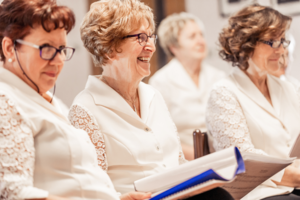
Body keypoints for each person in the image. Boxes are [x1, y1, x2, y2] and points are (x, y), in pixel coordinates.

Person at [69, 0, 233, 199]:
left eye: (150, 37)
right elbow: (92, 189)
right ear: (108, 48)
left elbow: (178, 161)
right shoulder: (85, 110)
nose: (151, 47)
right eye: (140, 38)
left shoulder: (153, 95)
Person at [0, 0, 152, 199]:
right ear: (10, 48)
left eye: (62, 49)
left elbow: (76, 180)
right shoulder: (6, 100)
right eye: (46, 48)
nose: (58, 60)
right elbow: (14, 192)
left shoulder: (51, 102)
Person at [206, 4, 300, 200]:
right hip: (259, 192)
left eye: (283, 41)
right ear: (246, 44)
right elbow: (245, 160)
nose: (281, 50)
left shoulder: (288, 88)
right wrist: (295, 177)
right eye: (272, 42)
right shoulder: (224, 93)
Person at [149, 12, 226, 160]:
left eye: (201, 35)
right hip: (182, 160)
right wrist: (201, 157)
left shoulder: (219, 77)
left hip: (222, 156)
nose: (201, 41)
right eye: (192, 37)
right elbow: (159, 136)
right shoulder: (160, 82)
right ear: (174, 47)